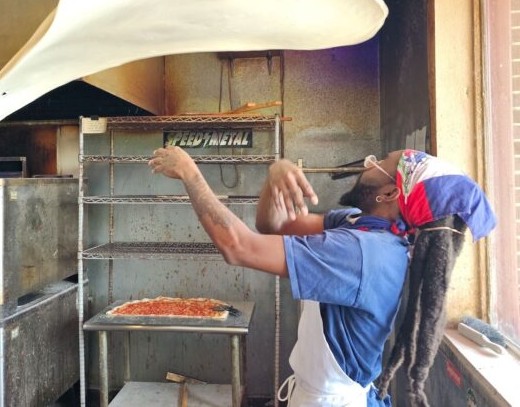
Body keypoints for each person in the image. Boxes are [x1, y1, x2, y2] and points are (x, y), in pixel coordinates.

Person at [149, 147, 495, 407]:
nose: (367, 163)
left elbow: (238, 246)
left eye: (380, 162)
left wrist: (191, 174)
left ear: (390, 193)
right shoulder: (364, 225)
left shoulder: (363, 254)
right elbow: (275, 226)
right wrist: (275, 177)